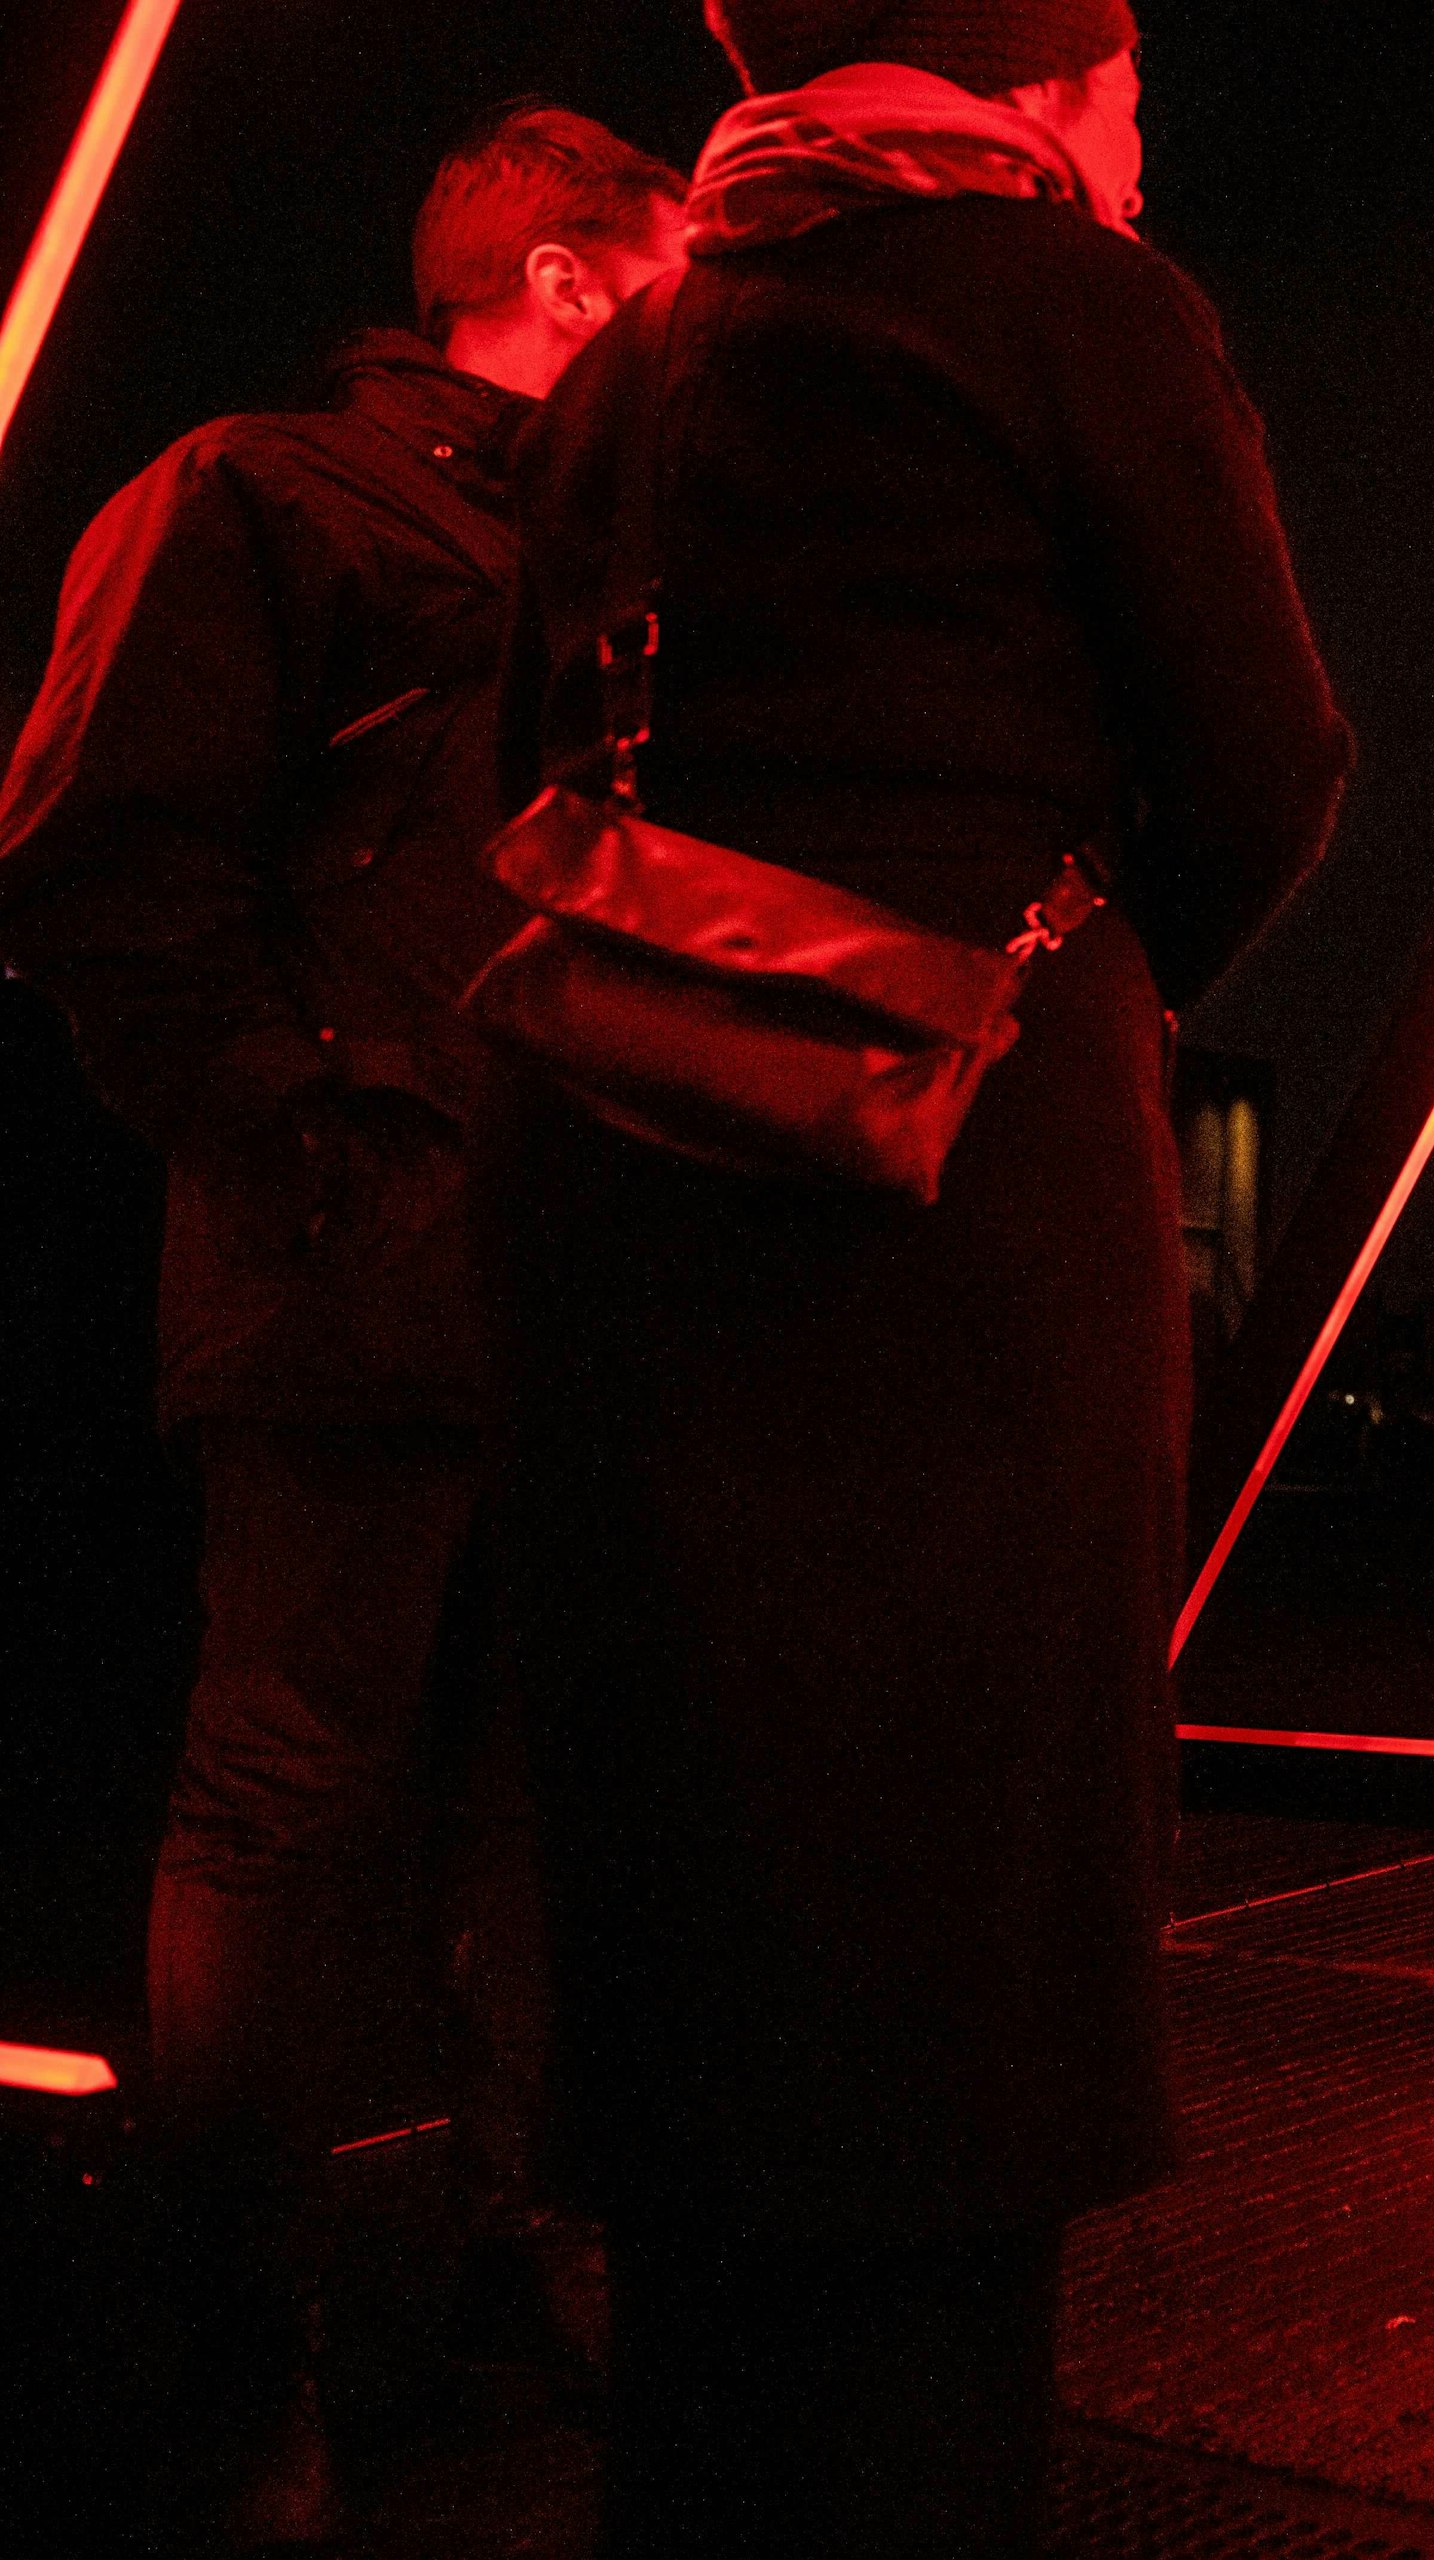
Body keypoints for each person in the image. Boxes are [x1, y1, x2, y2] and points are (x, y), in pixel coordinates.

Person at [496, 3, 1350, 2549]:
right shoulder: (1075, 301)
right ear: (1058, 87)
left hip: (616, 1197)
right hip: (954, 1213)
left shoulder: (638, 358)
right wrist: (1062, 977)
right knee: (943, 1957)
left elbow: (530, 765)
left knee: (694, 1923)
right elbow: (1265, 757)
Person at [0, 104, 686, 2544]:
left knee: (529, 1798)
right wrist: (313, 1129)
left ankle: (470, 2273)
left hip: (565, 1280)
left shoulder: (601, 567)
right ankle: (232, 2339)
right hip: (367, 1249)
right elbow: (95, 859)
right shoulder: (273, 493)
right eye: (683, 281)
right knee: (290, 1797)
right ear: (583, 282)